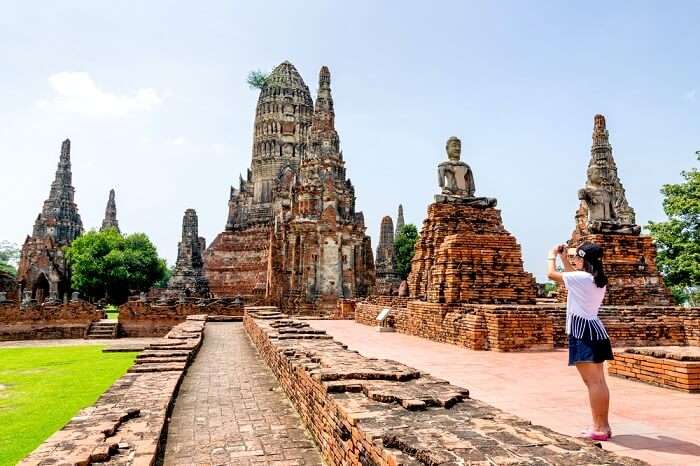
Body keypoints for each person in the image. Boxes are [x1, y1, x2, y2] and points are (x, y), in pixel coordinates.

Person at [547, 242, 614, 441]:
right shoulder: (593, 278)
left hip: (583, 331)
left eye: (577, 257)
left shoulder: (583, 278)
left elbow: (552, 275)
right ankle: (602, 425)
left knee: (593, 382)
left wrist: (551, 255)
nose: (574, 260)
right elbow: (570, 277)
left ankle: (600, 428)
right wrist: (564, 258)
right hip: (594, 331)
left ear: (584, 260)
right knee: (597, 381)